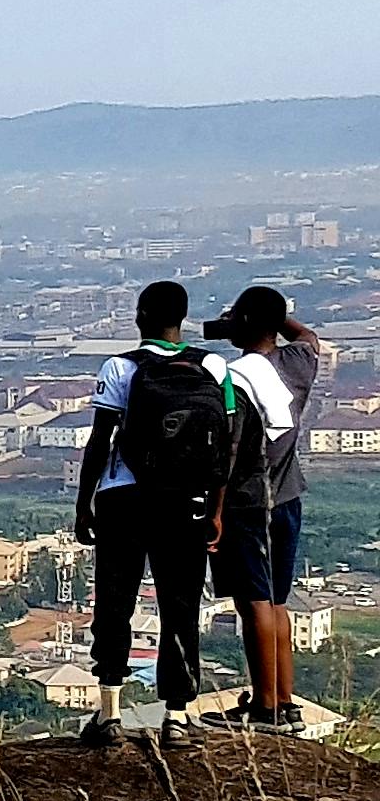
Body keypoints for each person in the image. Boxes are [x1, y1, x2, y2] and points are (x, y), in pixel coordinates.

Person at [75, 280, 264, 745]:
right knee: (180, 605)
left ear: (140, 316)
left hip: (123, 498)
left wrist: (85, 504)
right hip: (185, 501)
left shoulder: (121, 366)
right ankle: (176, 716)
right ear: (182, 318)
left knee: (115, 602)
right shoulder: (213, 365)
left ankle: (109, 713)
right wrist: (216, 507)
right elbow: (226, 443)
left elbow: (100, 441)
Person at [202, 283, 330, 731]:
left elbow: (229, 454)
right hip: (288, 496)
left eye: (235, 315)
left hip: (248, 503)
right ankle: (283, 701)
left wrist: (215, 512)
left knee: (253, 601)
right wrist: (274, 318)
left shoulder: (235, 380)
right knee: (276, 601)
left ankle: (264, 707)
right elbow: (308, 337)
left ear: (245, 322)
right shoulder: (297, 365)